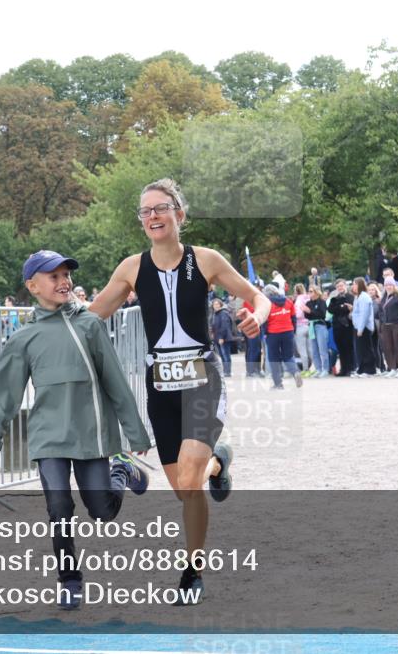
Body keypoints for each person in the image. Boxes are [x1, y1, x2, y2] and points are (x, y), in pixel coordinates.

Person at [89, 178, 270, 604]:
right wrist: (52, 320)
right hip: (161, 389)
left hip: (202, 379)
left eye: (161, 208)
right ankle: (219, 461)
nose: (152, 216)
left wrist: (257, 316)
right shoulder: (131, 268)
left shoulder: (204, 260)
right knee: (185, 490)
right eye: (145, 211)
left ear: (179, 214)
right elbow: (95, 314)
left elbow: (256, 295)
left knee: (189, 477)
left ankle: (192, 571)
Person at [0, 250, 151, 611]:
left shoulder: (90, 325)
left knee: (101, 511)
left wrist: (135, 434)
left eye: (65, 274)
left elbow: (116, 382)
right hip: (48, 438)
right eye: (53, 276)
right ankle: (69, 579)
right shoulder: (24, 339)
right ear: (32, 286)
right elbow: (3, 396)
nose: (63, 281)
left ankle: (122, 471)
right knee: (58, 507)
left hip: (92, 435)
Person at [262, 284, 301, 390]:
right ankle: (295, 372)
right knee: (288, 356)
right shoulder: (288, 301)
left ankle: (278, 384)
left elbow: (264, 321)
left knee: (273, 359)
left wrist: (265, 333)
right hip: (288, 332)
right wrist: (293, 331)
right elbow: (293, 318)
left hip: (273, 333)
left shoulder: (267, 304)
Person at [379, 279, 398, 376]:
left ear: (394, 286)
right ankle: (393, 368)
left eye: (390, 285)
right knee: (388, 347)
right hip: (386, 326)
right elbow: (380, 311)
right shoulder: (384, 298)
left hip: (396, 325)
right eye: (386, 285)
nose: (388, 287)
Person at [327, 279, 354, 377]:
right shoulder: (335, 298)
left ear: (345, 286)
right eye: (338, 286)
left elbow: (348, 308)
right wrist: (341, 307)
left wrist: (340, 308)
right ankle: (343, 369)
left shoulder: (350, 297)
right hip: (337, 326)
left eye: (341, 285)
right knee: (341, 349)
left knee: (348, 348)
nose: (340, 288)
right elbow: (330, 309)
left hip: (347, 326)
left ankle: (351, 368)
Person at [351, 277, 376, 376]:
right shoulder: (358, 296)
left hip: (364, 327)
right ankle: (361, 369)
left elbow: (364, 314)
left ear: (359, 285)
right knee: (360, 349)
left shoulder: (364, 297)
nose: (353, 286)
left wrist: (360, 329)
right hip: (357, 326)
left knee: (366, 349)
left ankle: (369, 370)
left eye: (355, 284)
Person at [305, 286, 329, 377]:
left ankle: (325, 369)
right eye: (308, 291)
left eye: (311, 291)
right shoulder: (308, 303)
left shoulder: (322, 302)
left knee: (322, 349)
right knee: (314, 350)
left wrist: (310, 312)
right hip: (311, 326)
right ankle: (318, 369)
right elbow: (306, 316)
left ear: (316, 292)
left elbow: (322, 314)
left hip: (320, 326)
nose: (309, 293)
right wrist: (309, 312)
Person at [210, 298, 234, 377]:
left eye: (217, 304)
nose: (216, 306)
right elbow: (214, 326)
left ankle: (228, 372)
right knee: (222, 355)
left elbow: (224, 326)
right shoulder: (215, 314)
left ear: (220, 304)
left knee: (226, 355)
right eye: (214, 304)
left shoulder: (223, 313)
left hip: (224, 338)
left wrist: (221, 337)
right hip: (217, 338)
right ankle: (225, 371)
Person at [292, 283, 311, 373]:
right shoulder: (308, 298)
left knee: (302, 350)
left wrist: (293, 315)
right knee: (310, 349)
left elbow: (299, 314)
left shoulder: (298, 300)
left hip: (300, 326)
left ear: (296, 291)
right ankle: (312, 367)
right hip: (309, 325)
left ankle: (305, 368)